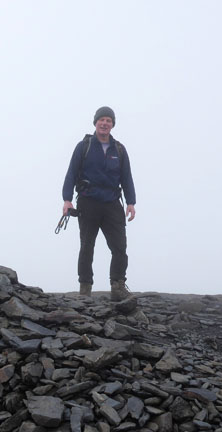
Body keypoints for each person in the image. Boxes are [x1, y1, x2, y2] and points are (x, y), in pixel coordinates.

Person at [62, 106, 136, 301]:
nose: (105, 123)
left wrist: (131, 202)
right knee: (87, 246)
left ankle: (117, 286)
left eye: (108, 121)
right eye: (102, 120)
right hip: (88, 201)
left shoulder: (119, 149)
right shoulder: (83, 146)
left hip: (112, 203)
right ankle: (85, 288)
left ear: (112, 125)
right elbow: (71, 173)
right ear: (95, 123)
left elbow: (127, 177)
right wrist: (67, 199)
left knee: (119, 247)